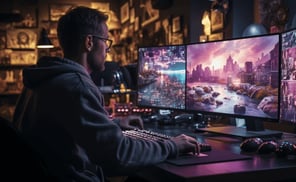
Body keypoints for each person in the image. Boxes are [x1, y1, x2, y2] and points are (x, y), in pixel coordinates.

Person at [12, 6, 200, 182]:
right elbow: (119, 155)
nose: (107, 50)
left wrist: (116, 124)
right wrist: (172, 145)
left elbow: (71, 126)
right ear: (89, 42)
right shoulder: (76, 85)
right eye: (106, 41)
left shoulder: (42, 79)